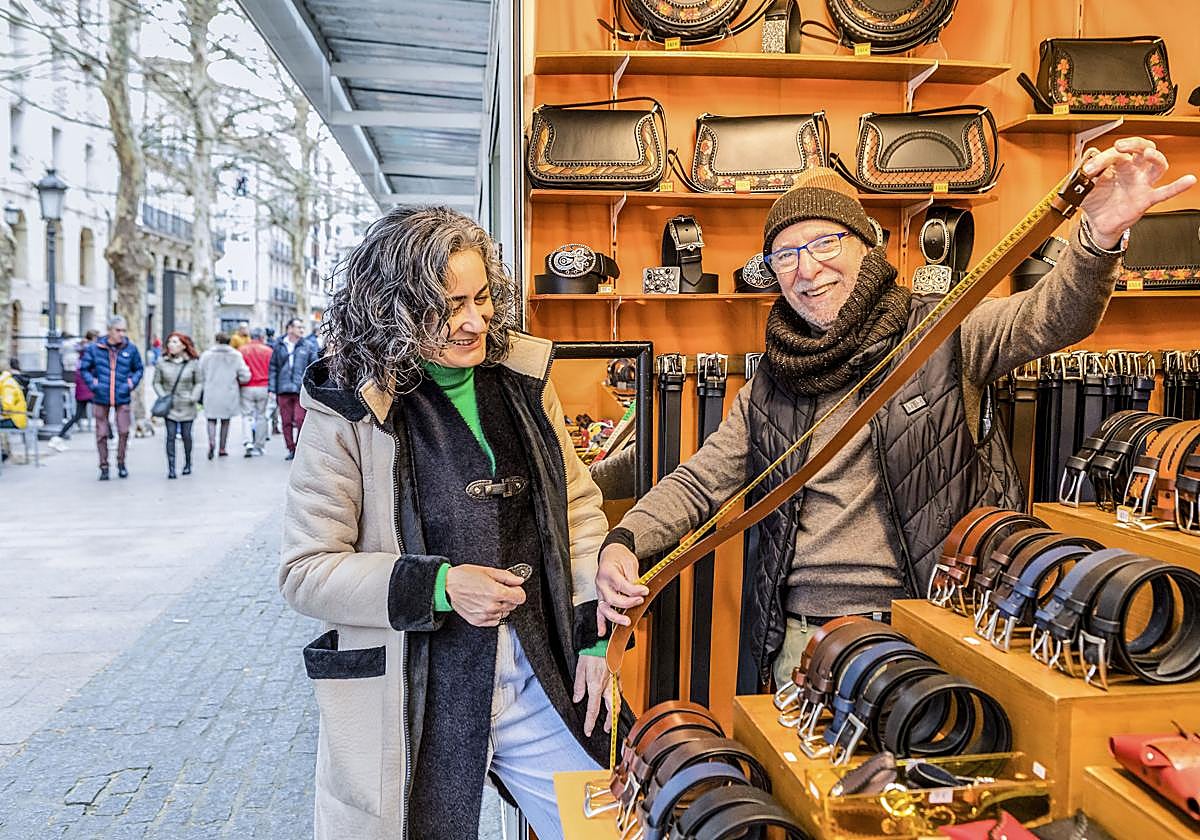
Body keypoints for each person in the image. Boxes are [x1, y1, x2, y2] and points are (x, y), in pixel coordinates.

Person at [595, 138, 1197, 693]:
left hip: (931, 624)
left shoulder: (942, 330)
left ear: (866, 246)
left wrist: (1098, 239)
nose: (806, 271)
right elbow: (700, 483)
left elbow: (1051, 316)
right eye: (784, 256)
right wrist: (625, 540)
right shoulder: (771, 381)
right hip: (806, 638)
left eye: (824, 244)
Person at [280, 207, 620, 840]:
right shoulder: (348, 409)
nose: (474, 321)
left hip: (539, 676)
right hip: (416, 699)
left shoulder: (523, 379)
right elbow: (305, 572)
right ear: (397, 308)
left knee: (609, 830)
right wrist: (439, 585)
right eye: (448, 306)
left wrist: (593, 635)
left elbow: (577, 510)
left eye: (482, 298)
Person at [79, 315, 144, 480]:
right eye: (118, 330)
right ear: (109, 331)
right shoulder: (95, 348)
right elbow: (84, 368)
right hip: (101, 396)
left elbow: (139, 369)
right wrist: (94, 384)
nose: (121, 333)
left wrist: (130, 383)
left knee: (123, 430)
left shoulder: (130, 349)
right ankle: (104, 466)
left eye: (123, 330)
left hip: (122, 395)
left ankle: (121, 462)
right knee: (101, 433)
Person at [153, 332, 203, 479]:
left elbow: (199, 382)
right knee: (170, 436)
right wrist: (163, 395)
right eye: (169, 342)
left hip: (187, 404)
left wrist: (194, 396)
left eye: (175, 342)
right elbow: (156, 382)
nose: (171, 345)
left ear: (183, 345)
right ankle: (171, 467)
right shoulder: (162, 362)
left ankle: (188, 463)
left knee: (187, 436)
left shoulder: (192, 363)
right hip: (170, 405)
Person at [269, 317, 316, 460]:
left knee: (300, 419)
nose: (302, 330)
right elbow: (273, 368)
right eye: (298, 327)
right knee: (286, 421)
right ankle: (291, 448)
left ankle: (300, 447)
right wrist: (271, 388)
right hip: (283, 389)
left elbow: (314, 367)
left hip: (300, 389)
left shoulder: (308, 346)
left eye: (302, 327)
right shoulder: (279, 346)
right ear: (289, 328)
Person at [199, 332, 250, 459]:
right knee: (225, 421)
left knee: (211, 419)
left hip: (210, 391)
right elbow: (245, 376)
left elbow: (199, 372)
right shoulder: (236, 356)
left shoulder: (207, 355)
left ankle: (211, 443)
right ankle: (222, 447)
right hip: (229, 391)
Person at [237, 327, 272, 457]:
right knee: (261, 416)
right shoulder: (268, 351)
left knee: (247, 415)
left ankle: (248, 442)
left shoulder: (242, 350)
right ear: (262, 337)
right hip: (264, 386)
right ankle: (259, 445)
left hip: (246, 386)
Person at [59, 329, 99, 439]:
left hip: (82, 387)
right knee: (101, 411)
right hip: (87, 387)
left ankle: (60, 435)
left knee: (78, 415)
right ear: (93, 338)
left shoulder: (83, 349)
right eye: (96, 338)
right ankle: (111, 437)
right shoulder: (90, 350)